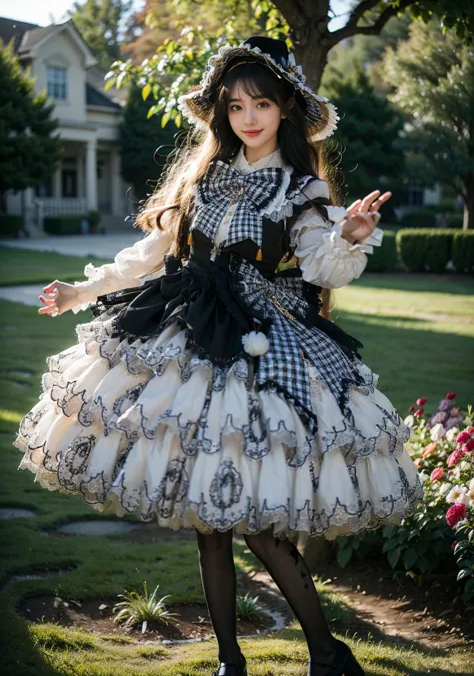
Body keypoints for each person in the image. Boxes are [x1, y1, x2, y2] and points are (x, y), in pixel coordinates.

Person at [15, 36, 423, 676]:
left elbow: (321, 265)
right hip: (187, 337)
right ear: (221, 115)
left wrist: (348, 235)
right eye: (235, 106)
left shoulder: (301, 186)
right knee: (209, 521)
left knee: (258, 525)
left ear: (286, 108)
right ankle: (229, 660)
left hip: (258, 347)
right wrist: (80, 290)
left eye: (262, 102)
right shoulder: (202, 177)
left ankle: (326, 652)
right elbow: (150, 256)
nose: (249, 117)